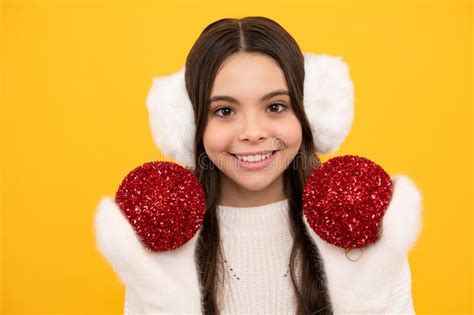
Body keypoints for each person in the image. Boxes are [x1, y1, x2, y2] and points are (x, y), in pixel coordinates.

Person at [94, 16, 422, 314]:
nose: (252, 133)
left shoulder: (363, 226)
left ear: (309, 114)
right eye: (224, 111)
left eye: (276, 106)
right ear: (191, 125)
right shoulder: (163, 239)